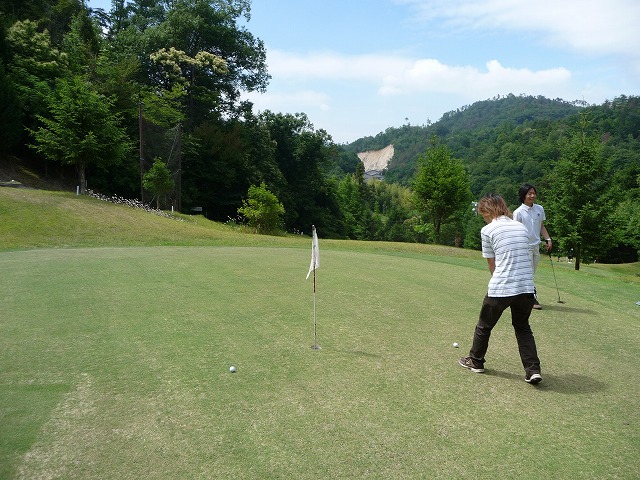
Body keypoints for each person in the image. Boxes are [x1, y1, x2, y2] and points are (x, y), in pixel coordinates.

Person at [459, 194, 542, 384]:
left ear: (488, 211)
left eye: (484, 215)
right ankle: (533, 370)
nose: (484, 219)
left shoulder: (488, 230)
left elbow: (492, 265)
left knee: (484, 325)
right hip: (527, 287)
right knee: (523, 328)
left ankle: (476, 361)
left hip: (502, 287)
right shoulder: (520, 227)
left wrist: (497, 285)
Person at [512, 184, 552, 310]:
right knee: (528, 273)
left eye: (534, 193)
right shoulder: (518, 213)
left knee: (531, 273)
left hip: (536, 246)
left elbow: (541, 226)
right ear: (523, 195)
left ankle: (519, 296)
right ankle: (532, 298)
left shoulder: (540, 209)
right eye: (529, 193)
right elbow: (515, 231)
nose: (532, 196)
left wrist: (548, 239)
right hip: (524, 247)